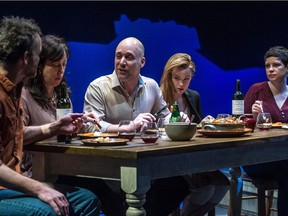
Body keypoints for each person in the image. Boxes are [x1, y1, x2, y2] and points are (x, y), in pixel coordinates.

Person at [0, 16, 100, 216]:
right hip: (4, 190)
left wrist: (57, 127)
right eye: (38, 56)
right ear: (27, 58)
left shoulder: (15, 90)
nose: (38, 62)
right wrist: (38, 187)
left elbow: (19, 134)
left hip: (17, 183)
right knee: (48, 211)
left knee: (87, 200)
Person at [83, 37, 189, 216]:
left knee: (179, 184)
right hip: (109, 168)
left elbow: (164, 116)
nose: (122, 62)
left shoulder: (151, 86)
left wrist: (177, 119)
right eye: (118, 56)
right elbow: (90, 127)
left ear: (142, 62)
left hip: (144, 165)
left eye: (129, 57)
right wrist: (125, 127)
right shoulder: (98, 87)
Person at [160, 53, 230, 216]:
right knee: (205, 189)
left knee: (222, 185)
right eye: (176, 78)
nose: (181, 83)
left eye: (186, 79)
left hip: (191, 158)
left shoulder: (193, 96)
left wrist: (204, 124)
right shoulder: (159, 96)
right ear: (168, 75)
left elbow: (196, 131)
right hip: (168, 158)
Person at [21, 34, 99, 177]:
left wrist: (79, 124)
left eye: (64, 64)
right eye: (55, 65)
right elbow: (18, 135)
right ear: (39, 66)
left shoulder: (62, 97)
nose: (61, 70)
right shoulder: (24, 95)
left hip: (61, 167)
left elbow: (64, 136)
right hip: (34, 172)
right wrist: (55, 128)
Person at [243, 45, 288, 216]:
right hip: (256, 157)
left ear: (287, 67)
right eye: (267, 66)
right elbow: (241, 124)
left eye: (276, 65)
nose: (270, 69)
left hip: (283, 155)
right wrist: (256, 118)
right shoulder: (257, 90)